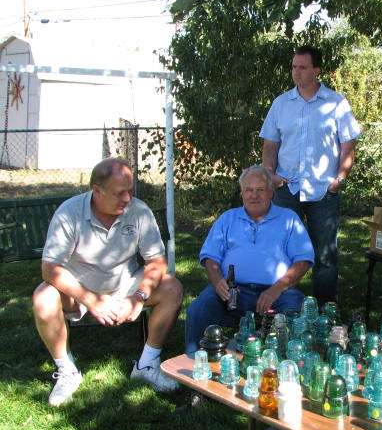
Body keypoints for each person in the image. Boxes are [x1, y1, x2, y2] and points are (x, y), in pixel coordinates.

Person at [33, 158, 183, 407]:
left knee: (172, 288)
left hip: (126, 284)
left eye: (130, 191)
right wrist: (92, 300)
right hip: (79, 289)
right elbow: (50, 269)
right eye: (119, 193)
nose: (127, 198)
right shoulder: (69, 213)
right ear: (97, 190)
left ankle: (147, 365)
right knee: (43, 298)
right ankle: (67, 371)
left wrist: (139, 297)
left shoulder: (139, 211)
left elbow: (157, 262)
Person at [260, 45, 361, 306]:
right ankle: (280, 307)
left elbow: (348, 145)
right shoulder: (281, 104)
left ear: (317, 70)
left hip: (323, 191)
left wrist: (339, 179)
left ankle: (325, 311)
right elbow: (270, 145)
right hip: (286, 189)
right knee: (280, 252)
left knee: (325, 256)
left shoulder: (336, 103)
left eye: (303, 67)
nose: (297, 72)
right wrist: (270, 175)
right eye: (294, 67)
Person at [185, 165, 315, 356]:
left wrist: (276, 289)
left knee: (295, 314)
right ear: (242, 193)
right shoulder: (227, 219)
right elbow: (210, 257)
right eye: (249, 190)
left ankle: (286, 364)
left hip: (278, 292)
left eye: (260, 190)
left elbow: (303, 261)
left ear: (271, 192)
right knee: (199, 308)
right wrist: (218, 282)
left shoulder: (288, 219)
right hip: (233, 291)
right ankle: (193, 360)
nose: (254, 196)